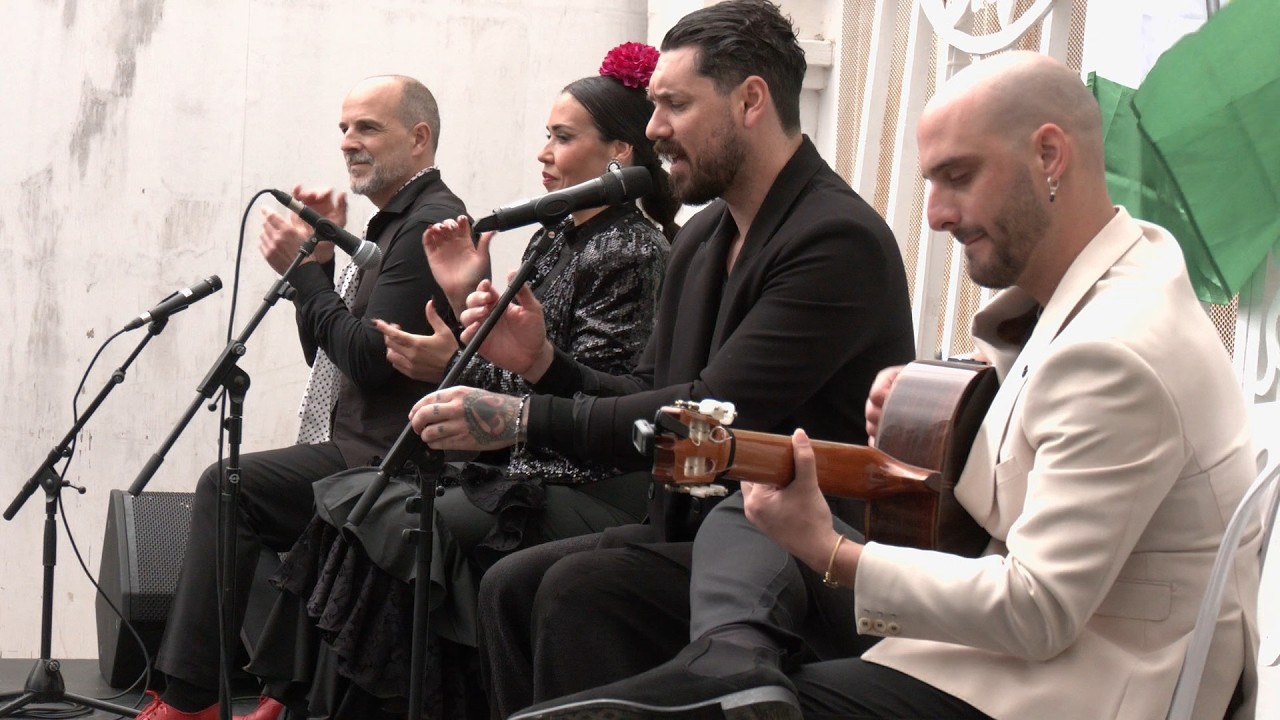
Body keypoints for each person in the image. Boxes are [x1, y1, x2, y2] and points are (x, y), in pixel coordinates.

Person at [515, 51, 1262, 720]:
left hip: (1080, 685)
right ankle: (726, 660)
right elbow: (1033, 468)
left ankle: (726, 672)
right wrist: (941, 416)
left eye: (957, 177)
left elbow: (1039, 610)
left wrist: (834, 552)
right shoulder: (1120, 275)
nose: (934, 214)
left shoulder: (1115, 349)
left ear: (1049, 156)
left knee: (708, 634)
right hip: (1011, 646)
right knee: (730, 527)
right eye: (930, 181)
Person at [410, 1, 916, 716]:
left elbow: (705, 419)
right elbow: (650, 389)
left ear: (750, 100)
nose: (653, 130)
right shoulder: (706, 234)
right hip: (693, 533)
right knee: (511, 586)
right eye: (653, 106)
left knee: (582, 589)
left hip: (798, 563)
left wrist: (525, 418)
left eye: (675, 104)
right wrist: (544, 364)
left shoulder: (836, 240)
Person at [250, 44, 679, 720]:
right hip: (524, 462)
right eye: (545, 134)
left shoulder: (632, 250)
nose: (542, 152)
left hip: (583, 480)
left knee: (379, 523)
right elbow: (515, 369)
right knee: (354, 511)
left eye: (562, 137)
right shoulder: (555, 237)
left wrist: (450, 361)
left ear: (620, 153)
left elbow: (592, 402)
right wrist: (462, 318)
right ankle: (297, 698)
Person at [138, 75, 468, 720]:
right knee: (241, 502)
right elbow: (326, 352)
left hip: (385, 458)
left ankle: (192, 699)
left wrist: (309, 273)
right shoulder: (394, 223)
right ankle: (282, 694)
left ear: (419, 137)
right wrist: (313, 268)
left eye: (367, 127)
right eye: (344, 128)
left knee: (229, 487)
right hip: (355, 444)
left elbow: (370, 363)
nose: (349, 142)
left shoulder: (426, 223)